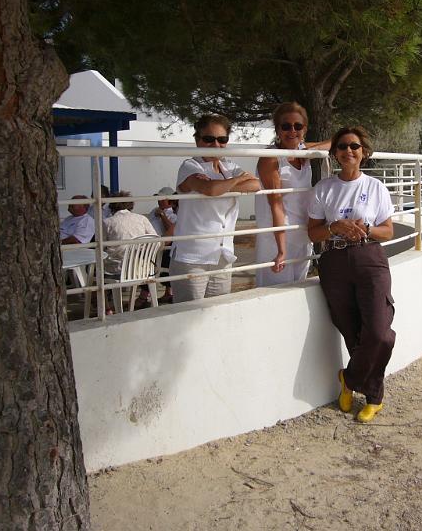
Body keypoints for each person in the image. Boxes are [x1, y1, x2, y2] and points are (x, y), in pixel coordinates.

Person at [308, 126, 396, 424]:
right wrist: (334, 227)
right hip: (334, 261)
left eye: (354, 146)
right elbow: (312, 233)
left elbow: (388, 231)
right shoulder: (323, 188)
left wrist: (366, 229)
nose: (348, 151)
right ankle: (374, 398)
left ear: (364, 152)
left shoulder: (375, 187)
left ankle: (349, 378)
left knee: (380, 333)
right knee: (351, 330)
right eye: (342, 146)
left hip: (369, 257)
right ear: (334, 153)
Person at [169, 114, 260, 302]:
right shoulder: (190, 166)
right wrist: (237, 180)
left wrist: (221, 185)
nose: (216, 144)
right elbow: (210, 190)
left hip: (222, 255)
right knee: (189, 314)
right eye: (209, 139)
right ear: (197, 140)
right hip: (192, 258)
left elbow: (255, 184)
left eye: (222, 139)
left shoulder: (229, 166)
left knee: (218, 313)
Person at [254, 102, 330, 287]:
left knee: (298, 289)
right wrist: (281, 250)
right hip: (278, 239)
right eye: (286, 126)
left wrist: (307, 152)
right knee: (275, 295)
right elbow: (276, 205)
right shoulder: (271, 157)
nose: (292, 131)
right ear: (277, 130)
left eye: (298, 126)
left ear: (305, 129)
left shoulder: (302, 152)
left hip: (302, 235)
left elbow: (333, 143)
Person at [102, 191, 157, 277]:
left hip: (117, 269)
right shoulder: (142, 219)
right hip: (141, 268)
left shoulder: (107, 222)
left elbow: (101, 247)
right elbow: (156, 241)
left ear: (111, 207)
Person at [145, 187, 178, 305]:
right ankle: (167, 293)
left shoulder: (174, 214)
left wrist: (162, 215)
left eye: (162, 198)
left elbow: (172, 230)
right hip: (152, 243)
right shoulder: (154, 211)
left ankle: (144, 295)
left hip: (163, 246)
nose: (159, 201)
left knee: (150, 264)